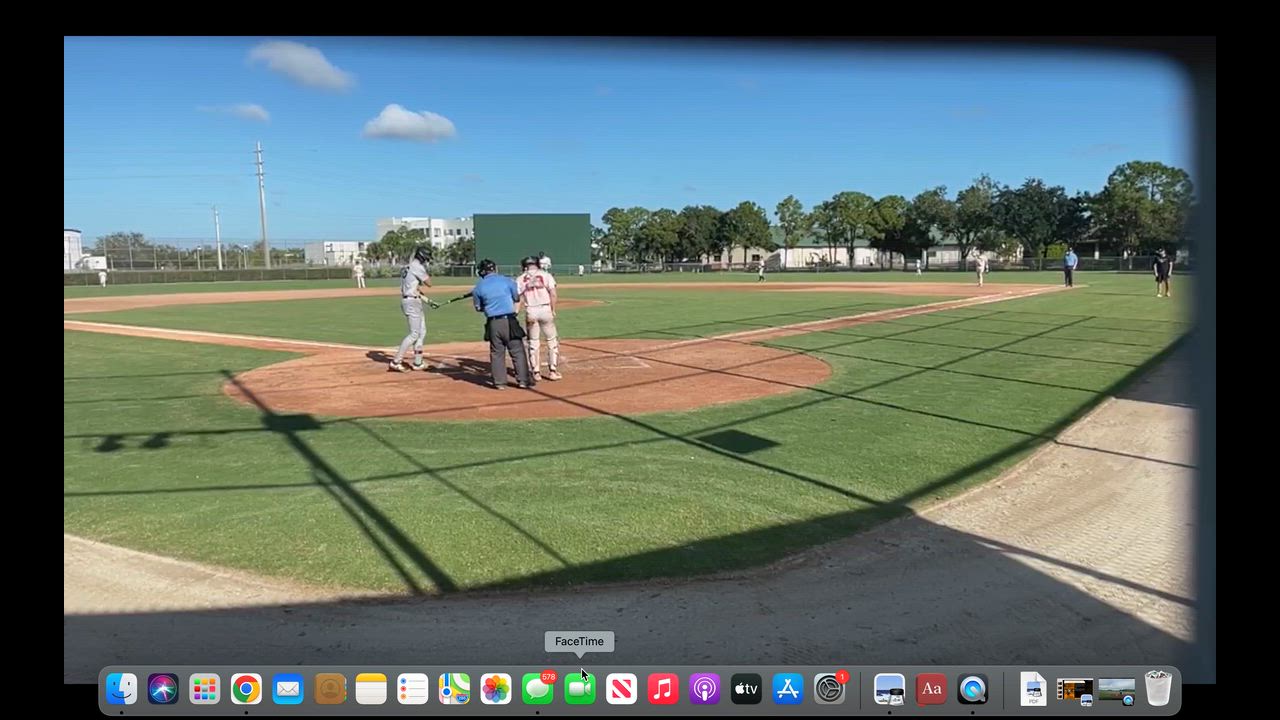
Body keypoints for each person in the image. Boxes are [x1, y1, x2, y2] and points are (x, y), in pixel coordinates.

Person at [472, 258, 532, 389]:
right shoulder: (507, 281)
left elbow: (478, 308)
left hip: (493, 323)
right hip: (509, 320)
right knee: (517, 351)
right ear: (495, 269)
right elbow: (516, 298)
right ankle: (523, 381)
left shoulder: (478, 287)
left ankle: (500, 383)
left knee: (497, 353)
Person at [518, 255, 562, 382]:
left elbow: (518, 298)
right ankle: (552, 371)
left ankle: (536, 373)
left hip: (531, 310)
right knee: (552, 341)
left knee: (533, 342)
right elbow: (553, 294)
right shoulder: (546, 275)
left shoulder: (520, 278)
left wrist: (516, 312)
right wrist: (553, 310)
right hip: (545, 309)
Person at [389, 246, 432, 373]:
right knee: (414, 334)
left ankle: (418, 362)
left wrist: (426, 300)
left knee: (422, 332)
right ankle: (396, 361)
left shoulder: (407, 266)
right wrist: (425, 271)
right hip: (412, 302)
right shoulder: (417, 267)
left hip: (413, 300)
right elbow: (429, 283)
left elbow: (414, 287)